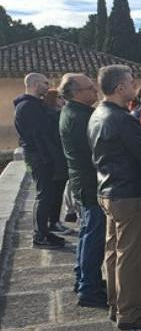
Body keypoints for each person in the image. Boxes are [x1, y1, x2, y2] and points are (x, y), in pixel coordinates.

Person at [88, 65, 141, 330]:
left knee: (113, 252)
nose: (135, 87)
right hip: (128, 194)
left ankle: (116, 304)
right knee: (131, 256)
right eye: (131, 83)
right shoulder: (122, 119)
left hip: (107, 191)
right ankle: (130, 313)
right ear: (120, 87)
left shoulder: (97, 114)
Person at [58, 73, 107, 307]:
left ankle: (83, 279)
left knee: (87, 233)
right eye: (90, 88)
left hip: (81, 182)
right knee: (94, 237)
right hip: (90, 184)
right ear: (76, 92)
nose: (95, 91)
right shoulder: (82, 117)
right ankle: (89, 288)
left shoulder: (70, 112)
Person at [14, 73, 67, 248]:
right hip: (39, 157)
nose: (48, 85)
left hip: (42, 156)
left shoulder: (34, 105)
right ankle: (39, 235)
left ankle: (45, 231)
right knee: (44, 195)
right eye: (45, 83)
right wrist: (47, 159)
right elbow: (38, 136)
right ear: (35, 85)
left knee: (48, 194)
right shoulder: (28, 107)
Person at [42, 88, 71, 232]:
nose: (62, 100)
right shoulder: (55, 115)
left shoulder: (50, 115)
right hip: (57, 160)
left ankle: (53, 221)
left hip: (56, 159)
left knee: (57, 192)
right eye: (59, 97)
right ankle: (53, 222)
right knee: (56, 192)